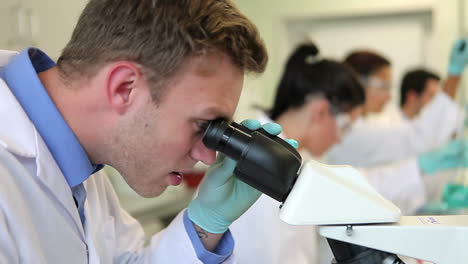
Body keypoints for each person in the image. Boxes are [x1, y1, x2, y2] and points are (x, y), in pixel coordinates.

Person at [0, 0, 284, 262]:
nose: (209, 157)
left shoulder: (83, 160)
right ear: (124, 88)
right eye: (203, 125)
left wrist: (206, 223)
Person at [229, 43, 468, 264]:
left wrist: (422, 169)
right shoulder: (260, 160)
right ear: (322, 111)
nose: (340, 138)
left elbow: (360, 186)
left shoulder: (296, 156)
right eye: (344, 126)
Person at [327, 40, 466, 167]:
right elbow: (417, 139)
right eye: (384, 87)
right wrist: (454, 74)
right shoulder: (350, 133)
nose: (389, 96)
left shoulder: (361, 125)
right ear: (359, 83)